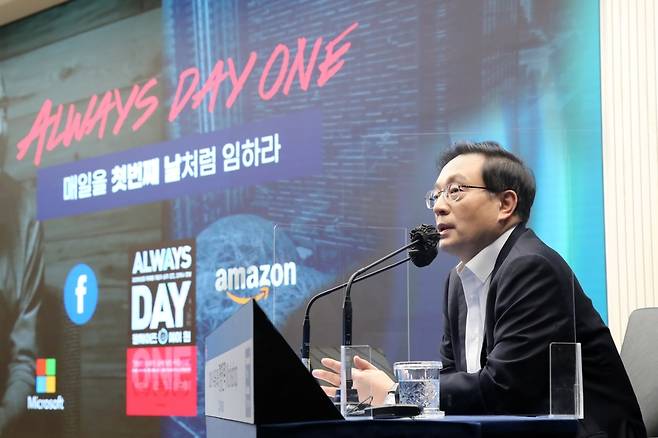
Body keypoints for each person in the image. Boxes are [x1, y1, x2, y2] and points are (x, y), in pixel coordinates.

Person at [313, 141, 646, 438]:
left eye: (456, 191)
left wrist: (397, 392)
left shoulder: (531, 267)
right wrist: (391, 391)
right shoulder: (458, 281)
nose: (439, 207)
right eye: (436, 195)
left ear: (505, 204)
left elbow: (504, 388)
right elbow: (452, 377)